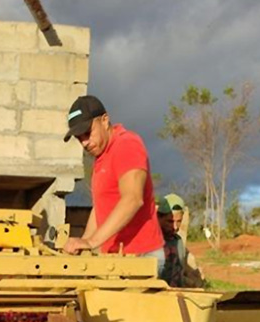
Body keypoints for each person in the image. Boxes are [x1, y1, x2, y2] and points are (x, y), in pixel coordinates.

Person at [62, 96, 164, 276]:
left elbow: (133, 199)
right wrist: (84, 242)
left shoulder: (126, 144)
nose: (84, 142)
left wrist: (92, 242)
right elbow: (100, 208)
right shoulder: (100, 159)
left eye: (87, 133)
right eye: (79, 138)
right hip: (116, 259)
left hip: (141, 258)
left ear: (104, 120)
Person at [157, 194, 187, 287]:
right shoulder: (151, 242)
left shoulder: (178, 242)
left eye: (178, 221)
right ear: (158, 217)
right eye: (170, 221)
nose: (175, 227)